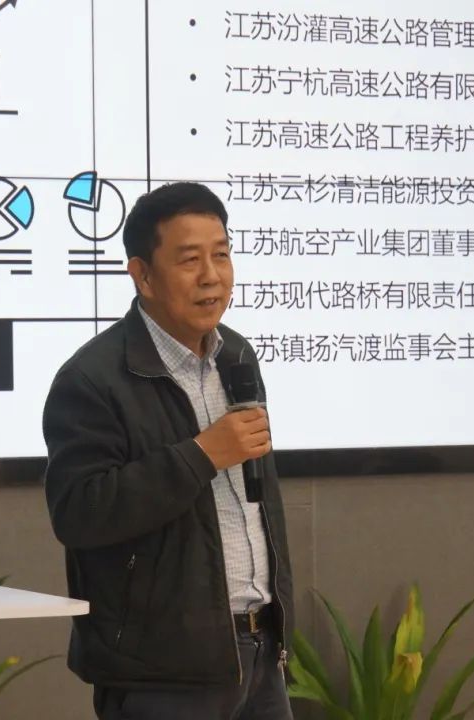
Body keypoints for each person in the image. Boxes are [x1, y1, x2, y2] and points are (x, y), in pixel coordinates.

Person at [42, 182, 295, 719]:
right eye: (189, 260)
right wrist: (202, 454)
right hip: (162, 671)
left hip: (259, 649)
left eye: (221, 255)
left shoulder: (237, 356)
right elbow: (79, 512)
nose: (212, 276)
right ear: (142, 274)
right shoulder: (93, 379)